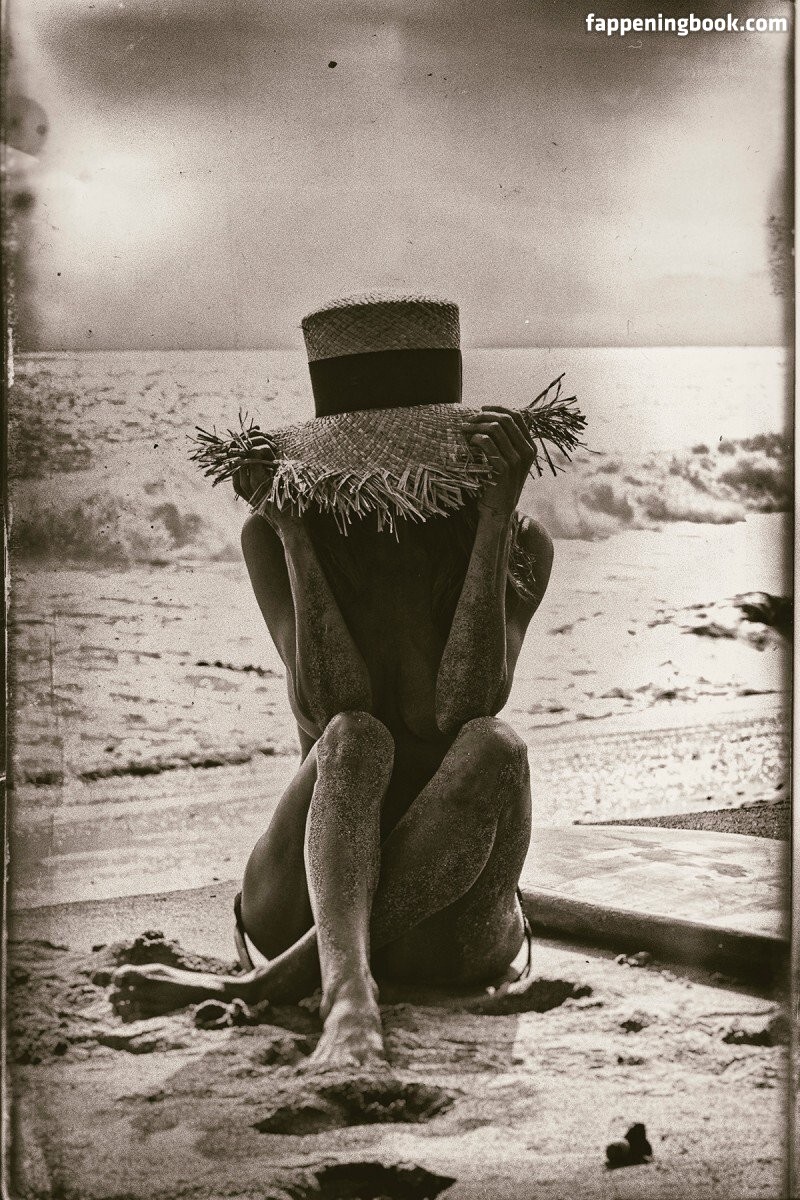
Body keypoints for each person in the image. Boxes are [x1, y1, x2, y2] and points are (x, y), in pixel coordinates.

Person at [112, 296, 554, 1071]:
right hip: (305, 895)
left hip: (449, 918)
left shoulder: (519, 542)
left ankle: (284, 985)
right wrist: (293, 533)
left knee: (496, 745)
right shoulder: (277, 532)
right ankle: (347, 992)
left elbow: (465, 703)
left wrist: (491, 522)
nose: (384, 472)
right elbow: (330, 707)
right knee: (357, 735)